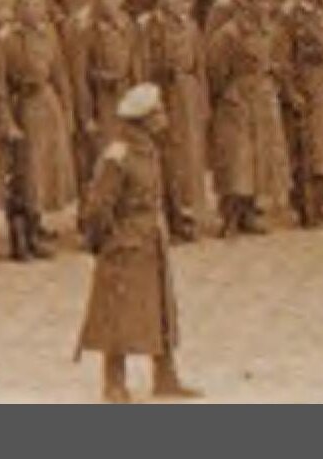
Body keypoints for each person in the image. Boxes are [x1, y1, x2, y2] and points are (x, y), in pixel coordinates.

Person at [76, 83, 198, 405]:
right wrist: (108, 242)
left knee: (159, 309)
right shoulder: (118, 155)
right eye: (158, 112)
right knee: (119, 315)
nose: (164, 117)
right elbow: (98, 207)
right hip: (127, 243)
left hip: (151, 240)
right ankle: (113, 384)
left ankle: (165, 376)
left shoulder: (149, 149)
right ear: (143, 119)